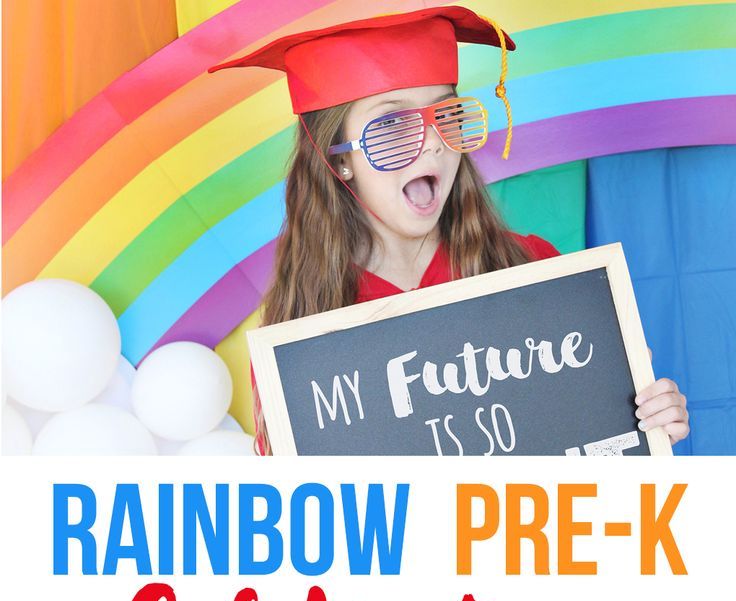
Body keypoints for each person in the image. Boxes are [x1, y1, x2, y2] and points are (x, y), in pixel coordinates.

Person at [210, 5, 689, 450]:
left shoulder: (535, 269)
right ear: (339, 158)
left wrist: (645, 420)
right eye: (393, 124)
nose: (433, 143)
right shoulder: (298, 340)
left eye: (446, 113)